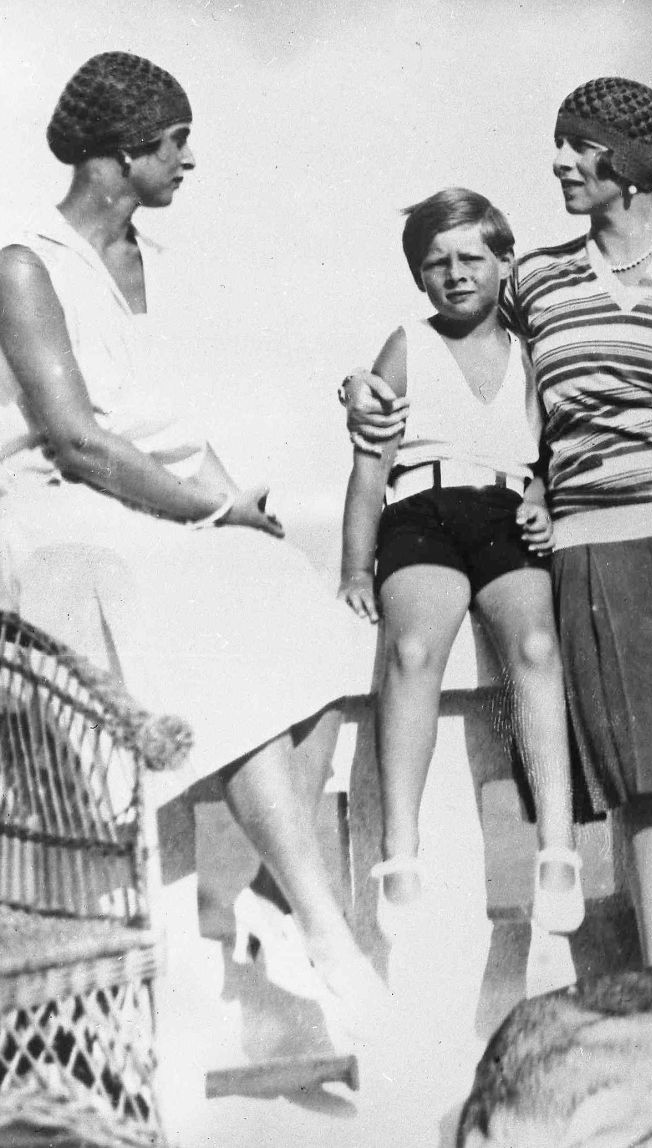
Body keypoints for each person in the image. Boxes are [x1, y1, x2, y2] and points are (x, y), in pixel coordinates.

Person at [347, 77, 652, 968]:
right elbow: (453, 336)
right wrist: (363, 391)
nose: (557, 161)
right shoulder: (539, 280)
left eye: (578, 146)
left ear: (628, 167)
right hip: (600, 555)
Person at [0, 52, 384, 1036]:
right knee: (215, 602)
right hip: (54, 520)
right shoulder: (22, 263)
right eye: (176, 142)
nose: (188, 162)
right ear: (125, 152)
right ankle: (325, 927)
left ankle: (260, 895)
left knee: (298, 593)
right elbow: (79, 440)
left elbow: (173, 432)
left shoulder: (149, 263)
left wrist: (234, 508)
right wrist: (200, 513)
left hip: (141, 509)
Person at [337, 187, 581, 995]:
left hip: (507, 509)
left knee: (536, 646)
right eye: (435, 263)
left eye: (472, 257)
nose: (455, 274)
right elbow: (370, 467)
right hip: (423, 512)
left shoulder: (535, 351)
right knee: (412, 650)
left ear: (505, 262)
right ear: (418, 276)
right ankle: (399, 854)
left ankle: (556, 849)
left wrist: (543, 503)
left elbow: (554, 461)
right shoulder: (406, 344)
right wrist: (352, 567)